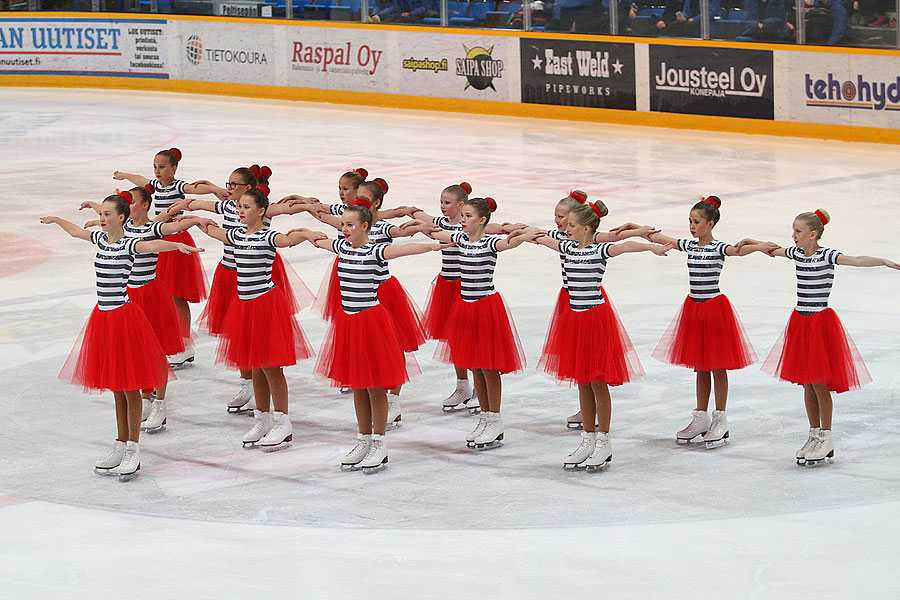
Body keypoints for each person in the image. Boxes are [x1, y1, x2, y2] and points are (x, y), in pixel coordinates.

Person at [41, 194, 202, 481]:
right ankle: (120, 443)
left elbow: (150, 245)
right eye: (101, 213)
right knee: (116, 387)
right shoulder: (101, 240)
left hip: (124, 318)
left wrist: (176, 245)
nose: (102, 218)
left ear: (121, 218)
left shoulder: (129, 243)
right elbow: (78, 231)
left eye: (107, 214)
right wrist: (56, 220)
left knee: (130, 387)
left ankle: (133, 449)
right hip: (103, 319)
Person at [737, 209, 898, 465]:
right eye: (793, 231)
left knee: (820, 382)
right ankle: (813, 434)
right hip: (801, 322)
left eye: (798, 232)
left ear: (812, 234)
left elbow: (856, 260)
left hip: (820, 324)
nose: (793, 236)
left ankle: (827, 436)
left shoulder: (827, 255)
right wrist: (751, 242)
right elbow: (771, 249)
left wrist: (883, 261)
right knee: (807, 382)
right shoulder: (796, 253)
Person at [309, 198, 448, 472]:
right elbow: (320, 241)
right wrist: (304, 235)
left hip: (370, 322)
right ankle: (363, 438)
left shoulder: (375, 251)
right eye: (343, 224)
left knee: (374, 385)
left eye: (350, 225)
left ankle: (379, 442)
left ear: (365, 226)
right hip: (347, 323)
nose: (345, 229)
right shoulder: (341, 247)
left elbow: (405, 249)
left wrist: (431, 246)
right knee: (357, 384)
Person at [531, 200, 672, 470]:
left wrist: (652, 247)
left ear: (586, 228)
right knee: (582, 381)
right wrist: (518, 234)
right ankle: (587, 439)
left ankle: (604, 441)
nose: (566, 229)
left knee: (597, 381)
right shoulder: (567, 246)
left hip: (595, 321)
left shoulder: (600, 250)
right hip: (573, 321)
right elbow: (539, 238)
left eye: (571, 225)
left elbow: (625, 246)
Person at [169, 165, 315, 414]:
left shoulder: (262, 211)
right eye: (227, 184)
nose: (228, 189)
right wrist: (183, 207)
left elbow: (287, 212)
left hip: (256, 276)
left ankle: (266, 403)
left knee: (260, 341)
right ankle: (247, 384)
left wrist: (310, 207)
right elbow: (201, 208)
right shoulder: (228, 210)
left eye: (233, 185)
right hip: (230, 274)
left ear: (248, 189)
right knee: (238, 332)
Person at [507, 190, 656, 430]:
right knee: (578, 359)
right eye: (556, 216)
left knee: (592, 362)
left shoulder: (591, 241)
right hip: (569, 299)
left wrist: (640, 234)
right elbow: (539, 234)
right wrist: (516, 230)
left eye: (562, 217)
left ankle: (594, 410)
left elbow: (614, 238)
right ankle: (585, 407)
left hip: (588, 301)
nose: (558, 221)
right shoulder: (561, 237)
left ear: (576, 219)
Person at [639, 196, 777, 449]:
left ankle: (720, 419)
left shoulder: (718, 248)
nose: (692, 227)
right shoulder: (689, 246)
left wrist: (758, 245)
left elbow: (738, 251)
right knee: (700, 366)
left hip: (714, 309)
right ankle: (700, 417)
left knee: (717, 365)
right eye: (690, 222)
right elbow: (662, 239)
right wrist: (638, 230)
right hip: (694, 308)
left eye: (697, 222)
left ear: (711, 224)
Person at [195, 188, 322, 451]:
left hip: (265, 305)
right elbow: (213, 231)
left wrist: (308, 234)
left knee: (271, 366)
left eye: (246, 207)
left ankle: (283, 421)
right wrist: (195, 221)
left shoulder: (267, 236)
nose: (240, 211)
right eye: (239, 207)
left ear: (261, 211)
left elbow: (288, 238)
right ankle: (262, 418)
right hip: (244, 306)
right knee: (254, 366)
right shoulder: (236, 235)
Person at [81, 187, 214, 432]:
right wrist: (93, 207)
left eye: (131, 203)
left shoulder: (149, 229)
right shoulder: (121, 231)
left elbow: (173, 228)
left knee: (157, 350)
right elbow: (104, 215)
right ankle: (143, 399)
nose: (127, 206)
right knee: (134, 353)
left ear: (143, 206)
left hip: (150, 294)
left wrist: (195, 221)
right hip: (126, 297)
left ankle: (159, 403)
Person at [309, 177, 433, 428]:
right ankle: (367, 398)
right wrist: (303, 207)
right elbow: (324, 221)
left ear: (374, 204)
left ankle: (393, 398)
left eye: (362, 198)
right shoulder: (348, 232)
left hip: (383, 291)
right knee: (364, 348)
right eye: (356, 197)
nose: (356, 199)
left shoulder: (381, 228)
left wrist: (426, 232)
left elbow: (403, 235)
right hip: (357, 286)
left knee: (392, 344)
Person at [425, 197, 534, 450]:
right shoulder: (460, 239)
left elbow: (514, 241)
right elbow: (430, 228)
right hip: (465, 307)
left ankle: (495, 419)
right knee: (475, 364)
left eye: (468, 217)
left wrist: (526, 232)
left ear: (482, 220)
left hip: (486, 308)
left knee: (489, 366)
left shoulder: (491, 243)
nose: (462, 221)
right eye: (461, 216)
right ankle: (485, 418)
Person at [112, 148, 221, 366]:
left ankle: (185, 344)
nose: (158, 171)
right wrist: (124, 175)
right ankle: (171, 342)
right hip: (157, 241)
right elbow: (140, 179)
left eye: (162, 167)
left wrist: (217, 189)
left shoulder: (178, 185)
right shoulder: (153, 185)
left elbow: (196, 189)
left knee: (176, 295)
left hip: (176, 239)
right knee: (162, 295)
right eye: (155, 166)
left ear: (174, 168)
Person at [656, 0, 721, 37]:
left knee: (688, 26)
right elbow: (686, 10)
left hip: (705, 24)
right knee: (673, 26)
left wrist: (695, 19)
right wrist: (683, 17)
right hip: (689, 22)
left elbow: (711, 12)